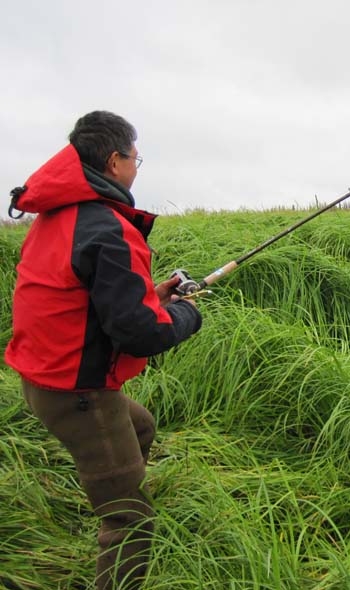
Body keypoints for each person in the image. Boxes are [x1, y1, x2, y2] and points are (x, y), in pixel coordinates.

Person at [5, 111, 202, 589]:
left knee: (141, 426)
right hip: (79, 392)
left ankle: (113, 482)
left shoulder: (60, 215)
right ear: (115, 161)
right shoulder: (109, 228)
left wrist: (153, 295)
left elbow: (85, 298)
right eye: (137, 158)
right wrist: (186, 316)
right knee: (132, 522)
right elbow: (139, 335)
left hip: (43, 379)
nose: (137, 166)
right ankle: (117, 506)